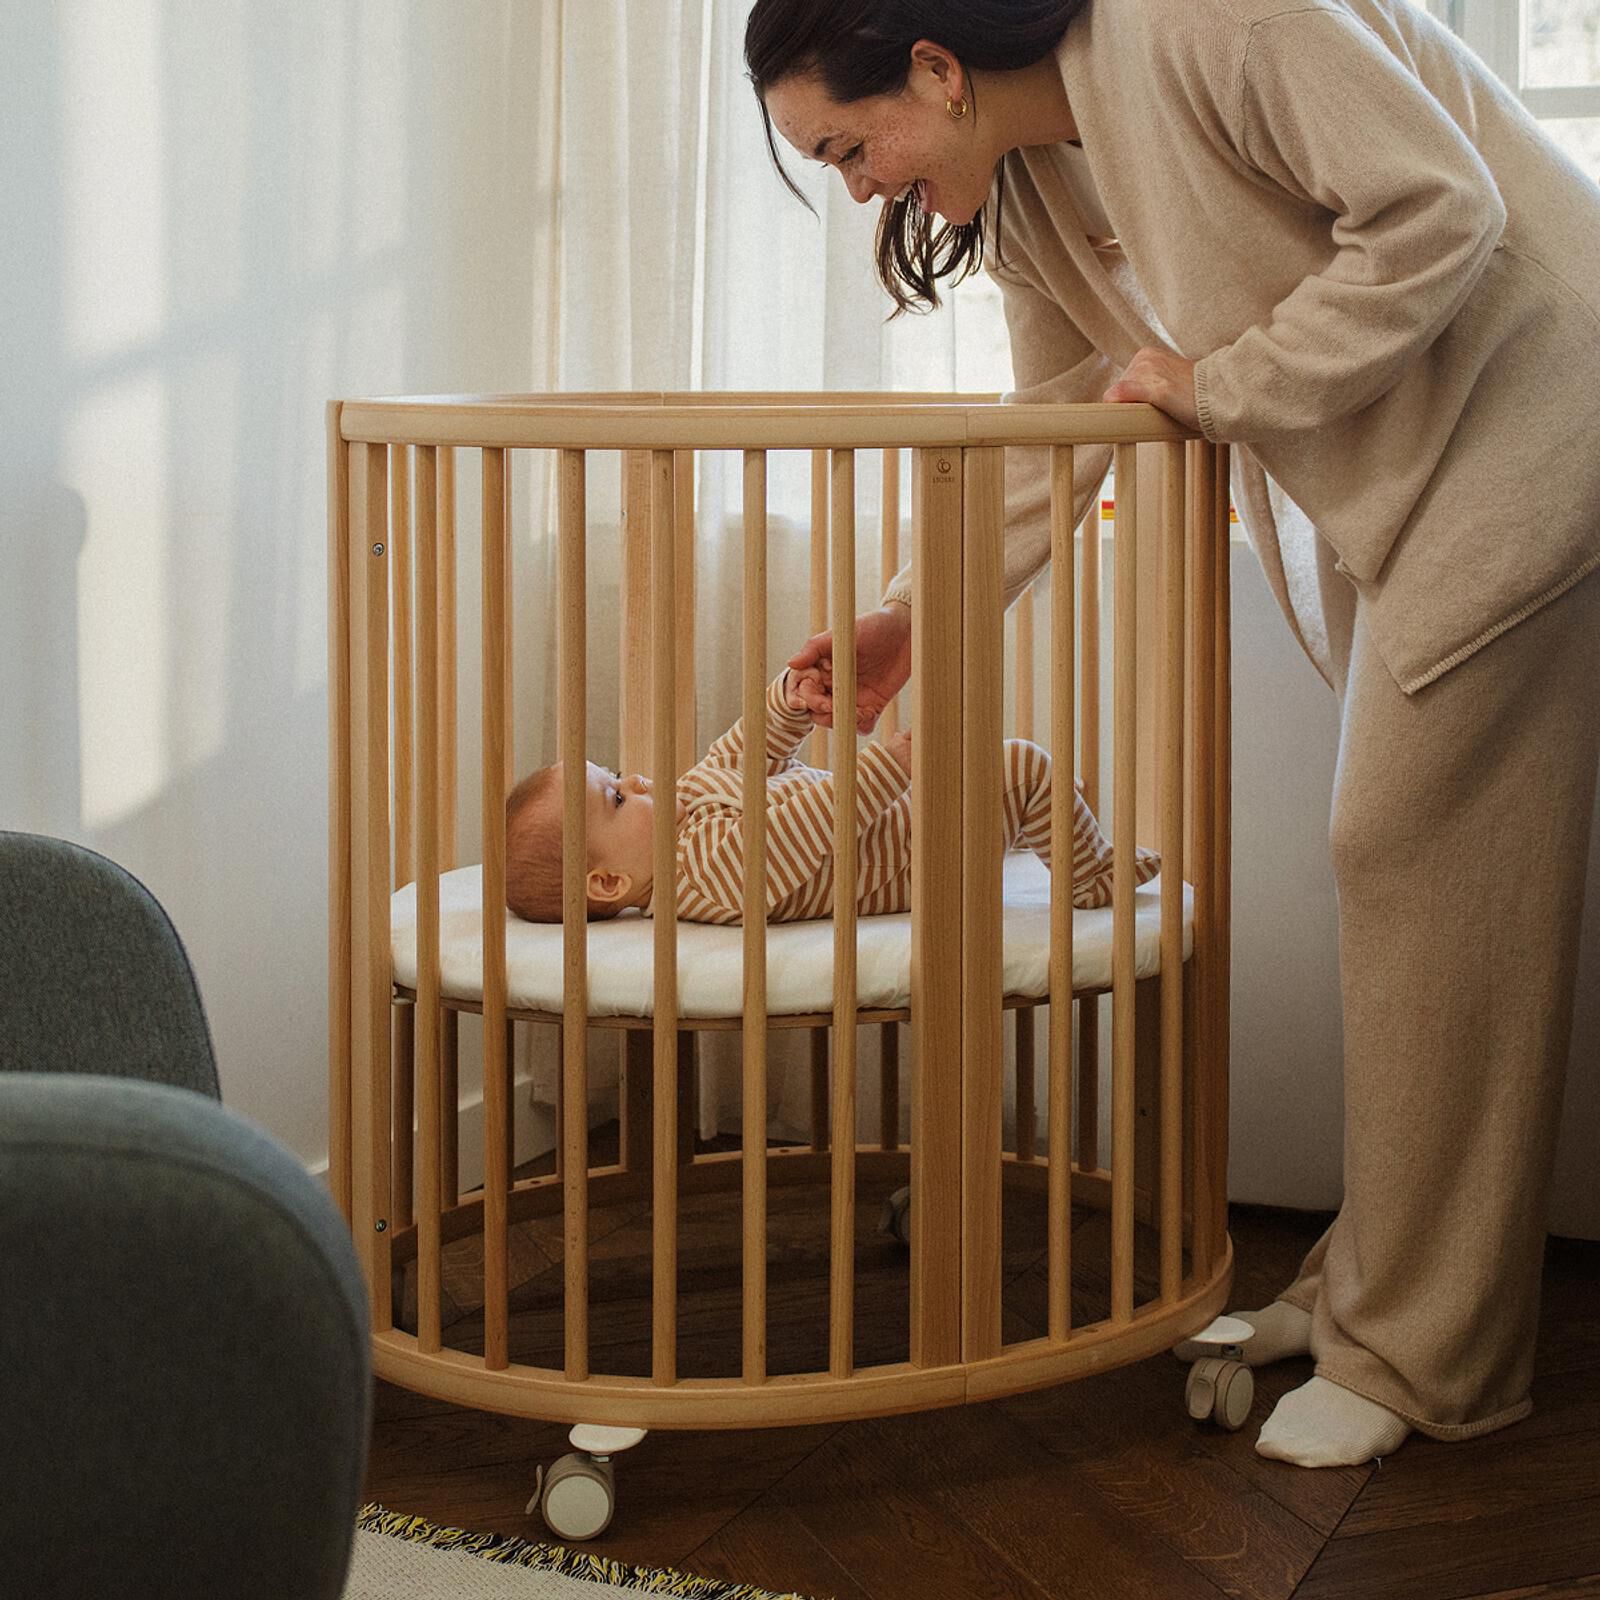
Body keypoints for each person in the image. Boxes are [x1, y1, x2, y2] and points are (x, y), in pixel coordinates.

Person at [743, 0, 1600, 1469]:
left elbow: (1439, 207)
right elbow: (1060, 416)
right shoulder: (1024, 189)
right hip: (1410, 458)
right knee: (1419, 870)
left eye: (847, 145)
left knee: (1409, 852)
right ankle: (1368, 1294)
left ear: (935, 71)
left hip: (1536, 414)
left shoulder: (1219, 19)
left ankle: (1422, 1357)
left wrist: (1226, 391)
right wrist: (910, 620)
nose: (859, 185)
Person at [505, 669, 1157, 924]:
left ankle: (1040, 817)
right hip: (912, 856)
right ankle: (1089, 878)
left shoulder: (690, 800)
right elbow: (799, 830)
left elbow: (745, 751)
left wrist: (788, 701)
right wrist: (888, 768)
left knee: (1012, 777)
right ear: (611, 882)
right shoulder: (697, 877)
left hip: (905, 821)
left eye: (618, 773)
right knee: (1022, 761)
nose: (638, 781)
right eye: (616, 797)